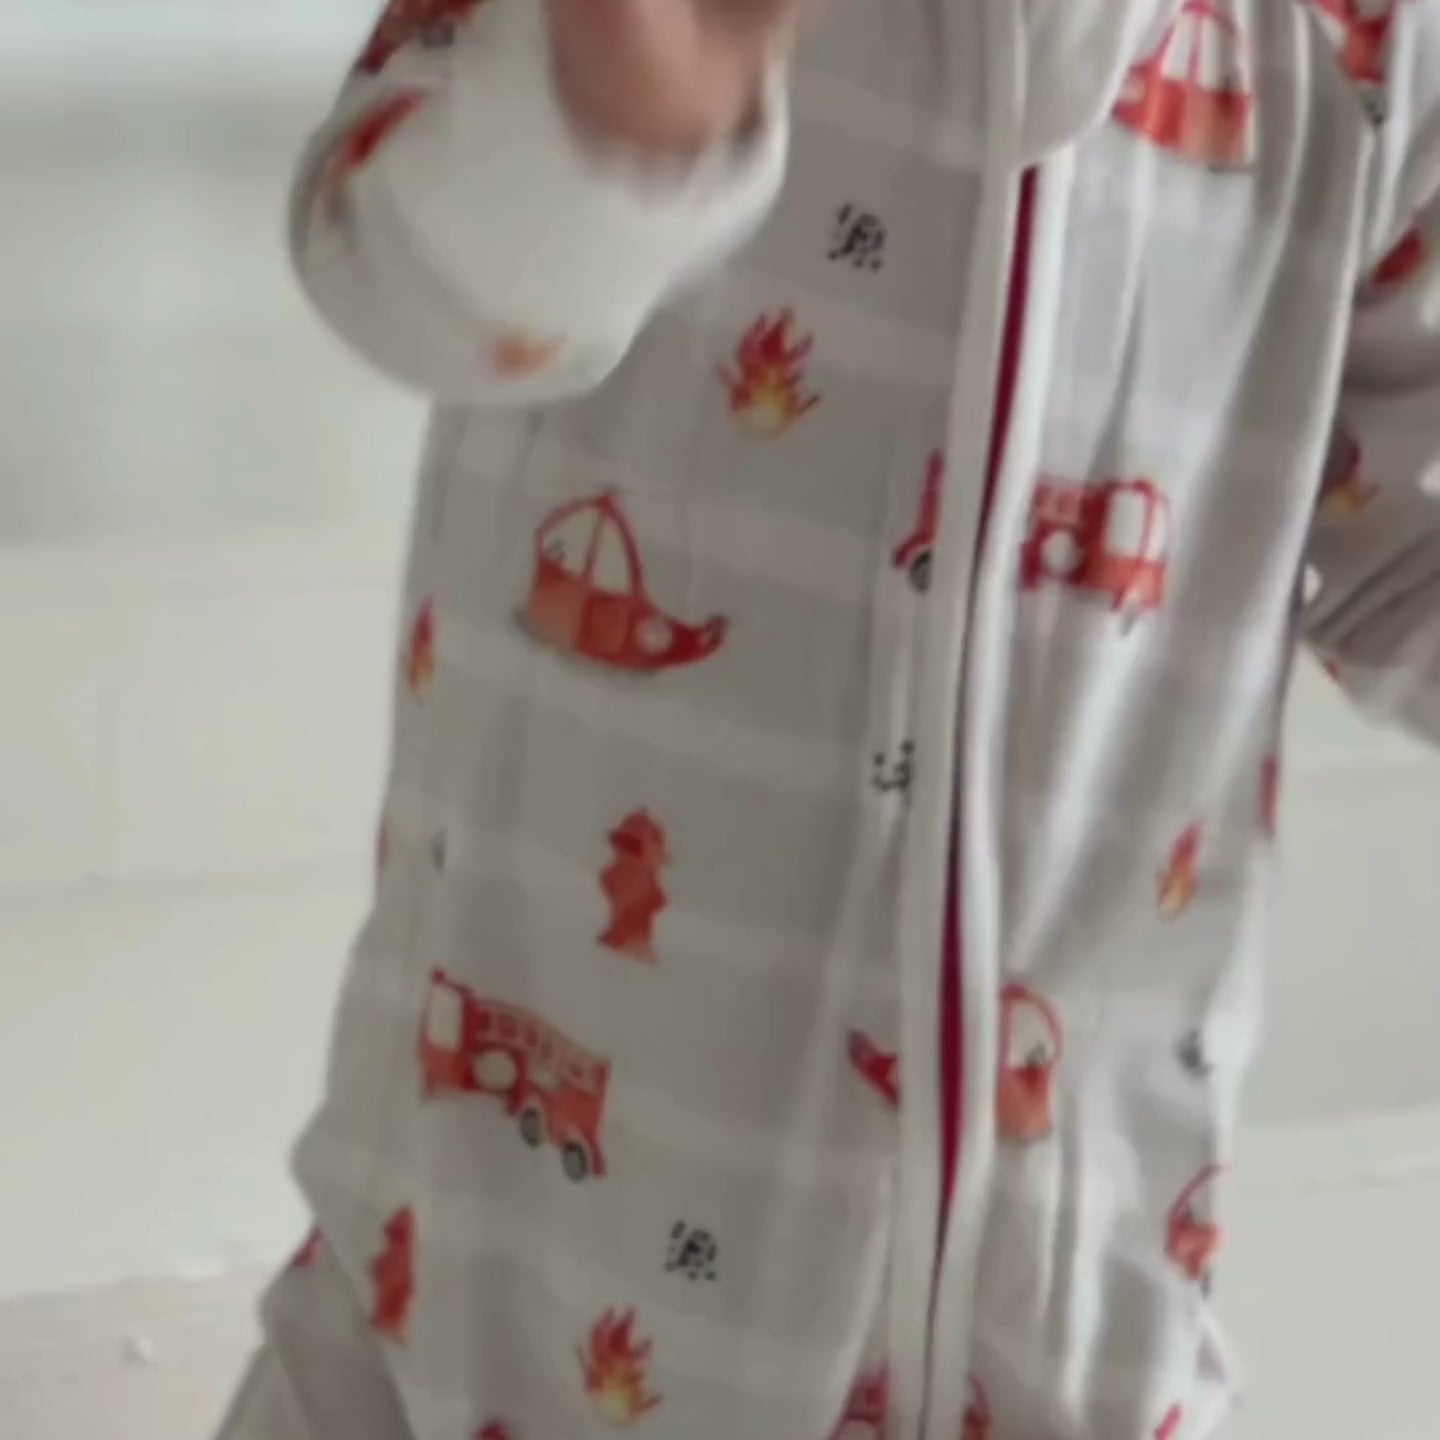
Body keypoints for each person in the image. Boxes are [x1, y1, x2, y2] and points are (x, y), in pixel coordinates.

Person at [214, 1, 1440, 1437]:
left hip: (1070, 1365)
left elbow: (1402, 541)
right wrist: (604, 135)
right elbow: (396, 267)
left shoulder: (1365, 44)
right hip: (485, 1346)